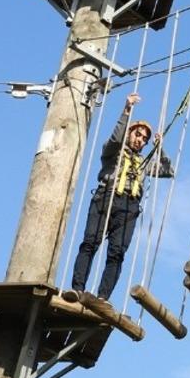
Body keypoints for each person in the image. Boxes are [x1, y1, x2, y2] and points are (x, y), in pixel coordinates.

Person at [70, 93, 172, 300]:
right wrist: (126, 111)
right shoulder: (112, 151)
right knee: (90, 242)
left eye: (144, 138)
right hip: (105, 197)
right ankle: (77, 288)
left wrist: (159, 149)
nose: (140, 140)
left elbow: (168, 171)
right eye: (137, 134)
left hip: (129, 206)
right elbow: (117, 138)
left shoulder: (143, 163)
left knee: (117, 253)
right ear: (129, 134)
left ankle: (102, 297)